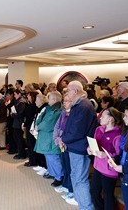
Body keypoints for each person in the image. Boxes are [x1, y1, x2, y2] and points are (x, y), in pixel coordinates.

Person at [61, 80, 98, 208]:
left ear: (75, 91)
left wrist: (63, 138)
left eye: (68, 91)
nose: (67, 94)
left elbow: (77, 130)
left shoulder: (83, 105)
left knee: (79, 179)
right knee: (76, 177)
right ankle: (81, 203)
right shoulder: (80, 104)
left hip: (79, 147)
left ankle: (86, 207)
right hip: (76, 146)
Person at [88, 107, 123, 210]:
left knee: (108, 195)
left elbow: (119, 154)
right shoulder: (99, 129)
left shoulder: (118, 135)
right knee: (94, 191)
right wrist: (89, 148)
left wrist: (106, 155)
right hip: (98, 166)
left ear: (111, 119)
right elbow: (94, 143)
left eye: (103, 116)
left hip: (109, 170)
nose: (100, 117)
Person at [35, 91, 64, 187]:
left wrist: (38, 126)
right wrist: (38, 124)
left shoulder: (58, 110)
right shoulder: (48, 108)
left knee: (54, 158)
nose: (48, 100)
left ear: (55, 100)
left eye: (50, 98)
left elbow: (48, 124)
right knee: (48, 157)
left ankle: (59, 177)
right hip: (45, 137)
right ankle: (53, 173)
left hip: (51, 138)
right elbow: (39, 118)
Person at [52, 94, 74, 202]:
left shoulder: (74, 114)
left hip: (68, 144)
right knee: (64, 164)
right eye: (64, 101)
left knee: (70, 167)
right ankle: (65, 185)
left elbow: (71, 131)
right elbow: (57, 126)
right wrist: (57, 139)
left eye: (67, 101)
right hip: (61, 143)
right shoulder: (63, 112)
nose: (64, 103)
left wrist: (62, 140)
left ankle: (71, 189)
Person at [31, 93, 49, 175]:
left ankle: (45, 167)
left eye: (36, 100)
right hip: (37, 130)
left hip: (41, 131)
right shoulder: (38, 109)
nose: (35, 102)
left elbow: (41, 121)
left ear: (41, 101)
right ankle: (41, 165)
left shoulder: (44, 108)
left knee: (42, 150)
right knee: (39, 149)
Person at [23, 91, 39, 167]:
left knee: (31, 144)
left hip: (31, 127)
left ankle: (33, 161)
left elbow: (29, 117)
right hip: (30, 126)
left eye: (29, 96)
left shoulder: (33, 106)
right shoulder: (31, 105)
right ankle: (32, 159)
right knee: (30, 143)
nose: (27, 97)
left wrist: (25, 124)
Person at [11, 89, 27, 159]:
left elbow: (20, 114)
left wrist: (13, 114)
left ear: (19, 94)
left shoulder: (22, 102)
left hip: (19, 122)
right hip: (16, 122)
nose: (14, 96)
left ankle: (21, 154)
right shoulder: (18, 101)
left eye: (15, 94)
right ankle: (20, 152)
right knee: (16, 138)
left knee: (19, 139)